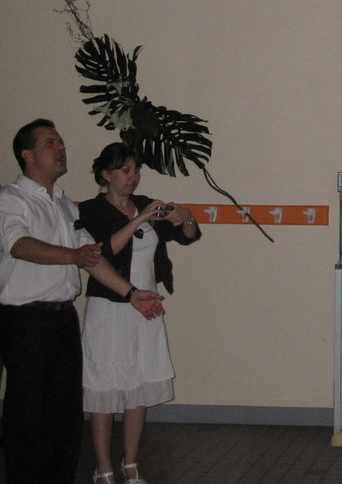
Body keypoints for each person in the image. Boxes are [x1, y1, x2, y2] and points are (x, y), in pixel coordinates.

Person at [0, 119, 165, 484]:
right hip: (24, 320)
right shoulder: (10, 199)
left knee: (64, 412)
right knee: (27, 412)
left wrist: (131, 293)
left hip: (62, 319)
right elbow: (18, 245)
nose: (60, 148)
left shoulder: (64, 204)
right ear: (27, 155)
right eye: (50, 142)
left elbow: (92, 257)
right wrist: (72, 256)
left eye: (61, 141)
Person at [78, 142, 202, 484]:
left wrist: (186, 216)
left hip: (147, 306)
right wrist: (140, 220)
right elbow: (104, 252)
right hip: (109, 307)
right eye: (125, 171)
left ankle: (130, 462)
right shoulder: (92, 209)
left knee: (140, 384)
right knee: (104, 387)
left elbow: (188, 236)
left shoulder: (145, 203)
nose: (132, 177)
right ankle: (104, 466)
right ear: (106, 174)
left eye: (135, 170)